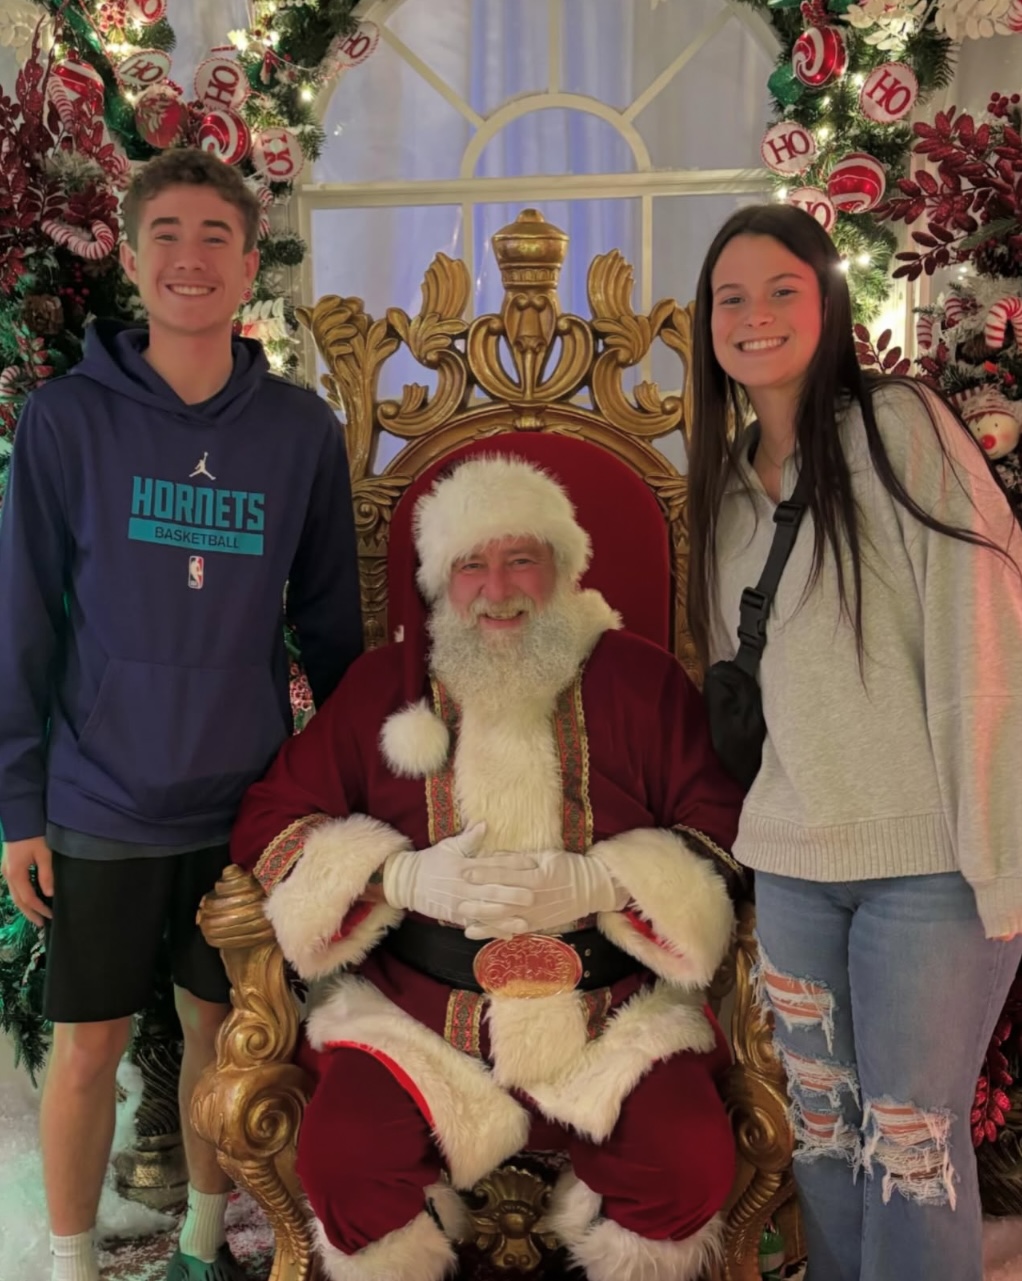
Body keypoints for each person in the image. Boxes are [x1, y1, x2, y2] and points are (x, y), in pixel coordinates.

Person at [231, 448, 746, 1281]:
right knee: (344, 1165)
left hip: (608, 1019)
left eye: (520, 560)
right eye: (472, 565)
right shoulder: (380, 687)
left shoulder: (640, 679)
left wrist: (611, 880)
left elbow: (720, 827)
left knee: (687, 1162)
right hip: (420, 1020)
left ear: (563, 570)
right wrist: (392, 876)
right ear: (442, 581)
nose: (496, 589)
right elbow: (268, 822)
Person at [0, 149, 363, 1281]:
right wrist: (20, 805)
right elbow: (20, 623)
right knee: (86, 1049)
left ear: (249, 264)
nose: (190, 258)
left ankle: (205, 1244)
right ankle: (67, 1263)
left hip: (244, 807)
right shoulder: (68, 423)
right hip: (100, 800)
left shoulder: (297, 432)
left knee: (225, 1039)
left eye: (215, 236)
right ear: (131, 255)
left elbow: (332, 628)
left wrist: (345, 802)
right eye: (167, 235)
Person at [687, 202, 1022, 1281]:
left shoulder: (900, 429)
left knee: (910, 1153)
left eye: (780, 289)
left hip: (927, 870)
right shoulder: (722, 487)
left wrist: (999, 860)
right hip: (791, 870)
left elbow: (986, 646)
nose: (752, 316)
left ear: (826, 304)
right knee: (826, 1148)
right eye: (727, 298)